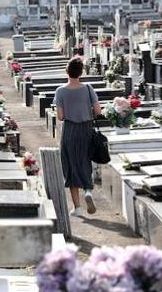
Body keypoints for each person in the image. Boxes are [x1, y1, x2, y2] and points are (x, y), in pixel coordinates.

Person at [54, 56, 101, 216]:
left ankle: (78, 208)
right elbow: (98, 111)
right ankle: (88, 190)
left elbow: (60, 117)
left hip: (70, 130)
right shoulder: (88, 88)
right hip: (86, 129)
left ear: (67, 71)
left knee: (70, 164)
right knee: (85, 160)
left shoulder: (60, 91)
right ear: (81, 72)